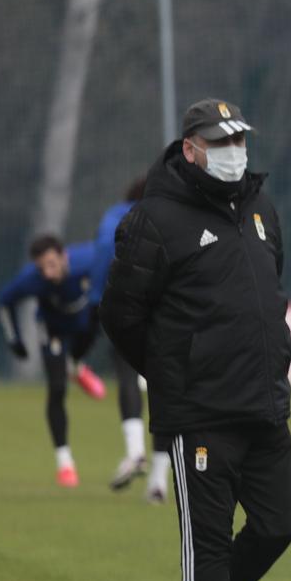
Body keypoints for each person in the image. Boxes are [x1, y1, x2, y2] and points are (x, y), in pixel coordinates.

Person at [101, 99, 291, 581]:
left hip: (264, 404)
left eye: (239, 139)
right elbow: (121, 315)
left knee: (278, 525)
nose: (234, 151)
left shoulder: (262, 209)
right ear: (190, 149)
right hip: (202, 413)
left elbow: (272, 285)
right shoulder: (155, 220)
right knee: (208, 541)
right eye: (220, 142)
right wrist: (173, 373)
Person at [0, 233, 139, 488]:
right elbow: (5, 301)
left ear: (64, 257)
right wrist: (14, 340)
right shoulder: (32, 280)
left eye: (52, 264)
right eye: (42, 268)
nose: (48, 273)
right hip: (53, 331)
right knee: (57, 388)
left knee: (90, 341)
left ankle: (76, 366)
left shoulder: (91, 261)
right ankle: (65, 464)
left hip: (87, 325)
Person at [94, 175, 167, 502]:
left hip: (129, 305)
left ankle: (136, 451)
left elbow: (102, 252)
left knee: (126, 374)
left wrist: (103, 299)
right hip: (168, 311)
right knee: (166, 389)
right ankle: (159, 480)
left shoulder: (117, 214)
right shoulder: (175, 213)